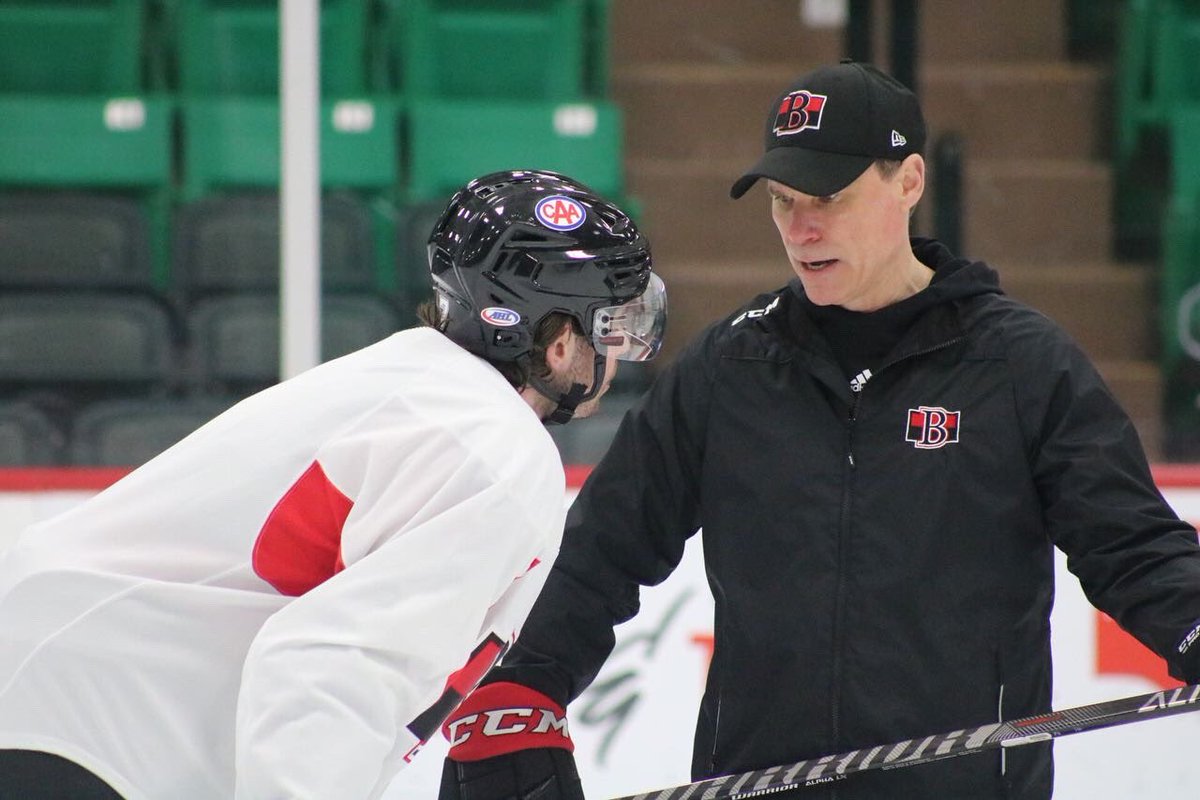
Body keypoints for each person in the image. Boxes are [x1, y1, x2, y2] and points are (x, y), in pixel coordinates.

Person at [437, 62, 1200, 799]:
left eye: (828, 198)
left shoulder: (1019, 366)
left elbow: (1131, 544)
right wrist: (522, 687)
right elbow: (606, 545)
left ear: (909, 181)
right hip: (756, 787)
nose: (800, 229)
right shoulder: (731, 366)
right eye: (782, 200)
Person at [0, 169, 667, 800]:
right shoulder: (498, 450)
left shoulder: (422, 385)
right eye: (612, 325)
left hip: (66, 693)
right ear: (557, 342)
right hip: (93, 726)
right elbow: (328, 671)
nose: (619, 352)